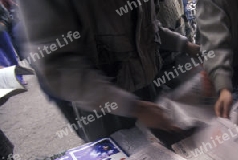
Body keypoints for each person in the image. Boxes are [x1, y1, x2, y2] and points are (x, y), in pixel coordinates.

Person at [20, 0, 200, 142]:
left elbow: (146, 28)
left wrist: (186, 46)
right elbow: (59, 66)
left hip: (148, 90)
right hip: (102, 106)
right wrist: (133, 107)